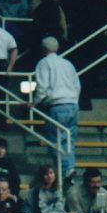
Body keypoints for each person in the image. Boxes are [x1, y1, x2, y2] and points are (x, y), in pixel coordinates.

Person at [32, 36, 81, 180]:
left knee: (55, 140)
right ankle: (70, 167)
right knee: (69, 140)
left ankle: (65, 168)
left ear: (43, 48)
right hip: (73, 105)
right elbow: (77, 85)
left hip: (57, 105)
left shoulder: (44, 63)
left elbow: (43, 87)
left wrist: (35, 102)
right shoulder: (68, 63)